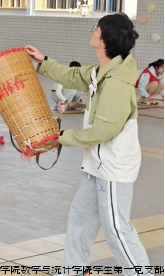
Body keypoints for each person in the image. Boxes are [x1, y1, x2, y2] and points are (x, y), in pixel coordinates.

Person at [27, 14, 151, 274]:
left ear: (105, 40)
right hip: (96, 165)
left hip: (113, 169)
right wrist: (43, 61)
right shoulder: (102, 71)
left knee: (117, 230)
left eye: (97, 28)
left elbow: (103, 131)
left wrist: (61, 138)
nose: (93, 30)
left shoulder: (117, 82)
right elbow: (73, 76)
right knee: (80, 222)